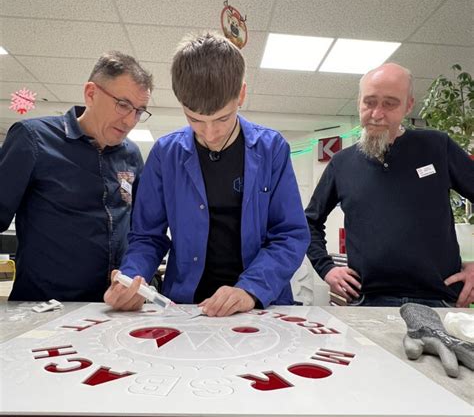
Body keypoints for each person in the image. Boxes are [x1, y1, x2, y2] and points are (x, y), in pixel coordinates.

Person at [104, 33, 309, 316]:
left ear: (242, 94)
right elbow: (147, 236)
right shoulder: (166, 154)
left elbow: (290, 234)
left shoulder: (272, 149)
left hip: (259, 304)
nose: (210, 133)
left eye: (222, 118)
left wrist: (250, 289)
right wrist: (132, 279)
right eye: (195, 120)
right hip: (186, 305)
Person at [305, 62, 474, 308]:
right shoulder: (341, 163)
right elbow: (309, 222)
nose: (377, 113)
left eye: (390, 103)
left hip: (438, 300)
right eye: (370, 102)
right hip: (367, 303)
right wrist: (326, 268)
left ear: (409, 105)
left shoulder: (438, 147)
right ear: (359, 102)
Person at [0, 51, 153, 302]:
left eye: (139, 111)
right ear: (91, 93)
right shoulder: (34, 139)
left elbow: (140, 229)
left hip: (109, 307)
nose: (130, 120)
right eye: (123, 105)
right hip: (44, 306)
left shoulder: (131, 155)